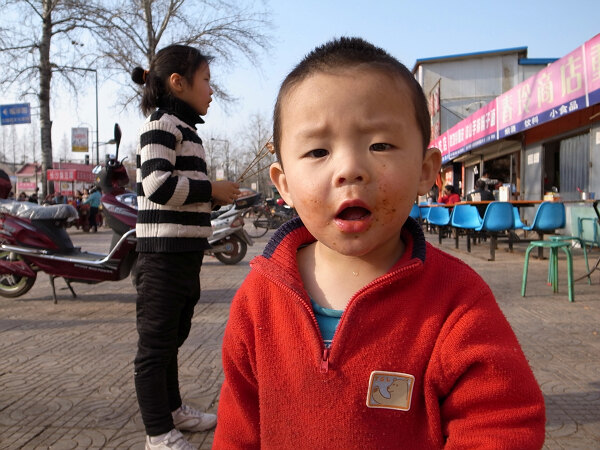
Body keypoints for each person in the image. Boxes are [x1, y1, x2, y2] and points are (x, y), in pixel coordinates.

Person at [213, 37, 545, 449]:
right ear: (284, 185)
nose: (350, 169)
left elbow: (502, 424)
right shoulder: (259, 300)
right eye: (318, 150)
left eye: (380, 145)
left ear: (426, 172)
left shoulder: (456, 302)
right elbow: (238, 428)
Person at [131, 44, 240, 450]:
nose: (211, 90)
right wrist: (211, 188)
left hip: (185, 256)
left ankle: (174, 410)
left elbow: (181, 192)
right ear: (179, 83)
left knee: (173, 340)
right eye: (206, 80)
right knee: (154, 348)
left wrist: (215, 197)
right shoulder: (161, 126)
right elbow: (156, 186)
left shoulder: (187, 130)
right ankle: (158, 433)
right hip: (160, 258)